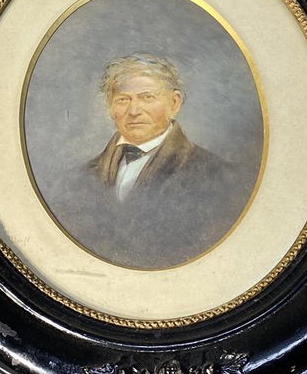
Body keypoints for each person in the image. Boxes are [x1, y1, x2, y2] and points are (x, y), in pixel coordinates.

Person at [50, 54, 249, 269]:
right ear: (110, 108)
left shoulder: (218, 176)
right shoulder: (79, 178)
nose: (134, 111)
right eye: (123, 100)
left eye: (147, 97)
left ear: (174, 103)